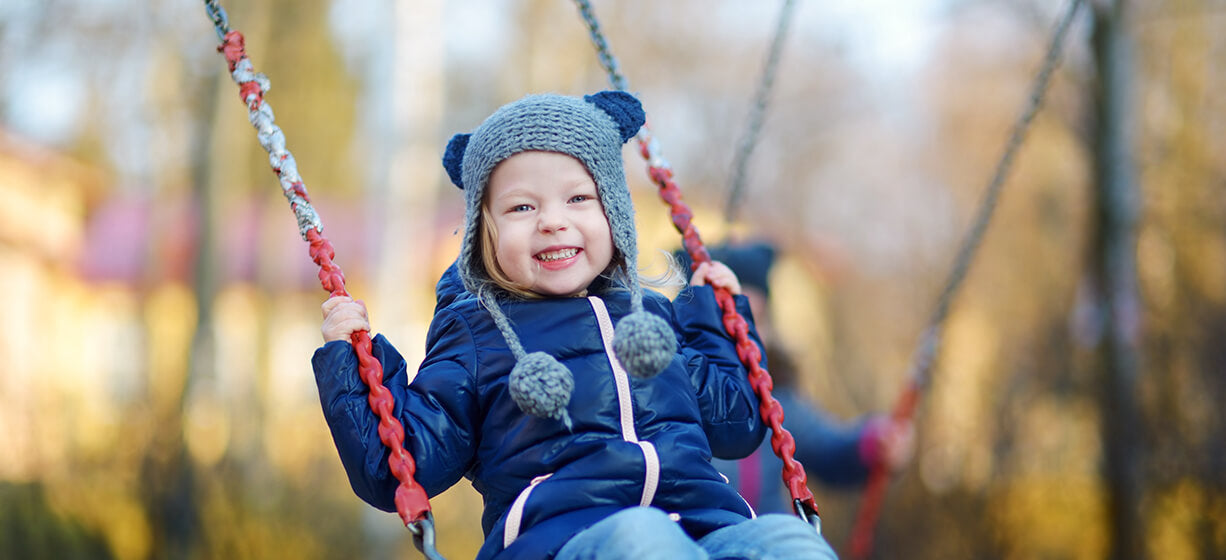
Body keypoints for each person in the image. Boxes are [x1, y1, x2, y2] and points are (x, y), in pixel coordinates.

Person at [312, 91, 837, 560]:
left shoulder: (650, 319)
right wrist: (354, 361)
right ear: (483, 235)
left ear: (615, 213)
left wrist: (715, 317)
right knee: (642, 537)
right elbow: (400, 464)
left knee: (788, 541)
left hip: (705, 528)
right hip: (563, 539)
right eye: (521, 206)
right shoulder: (476, 336)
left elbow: (738, 424)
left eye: (578, 198)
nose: (552, 220)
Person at [676, 242, 915, 515]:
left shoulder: (777, 401)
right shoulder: (673, 397)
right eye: (724, 318)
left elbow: (828, 450)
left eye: (754, 319)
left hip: (764, 535)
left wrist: (873, 444)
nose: (740, 331)